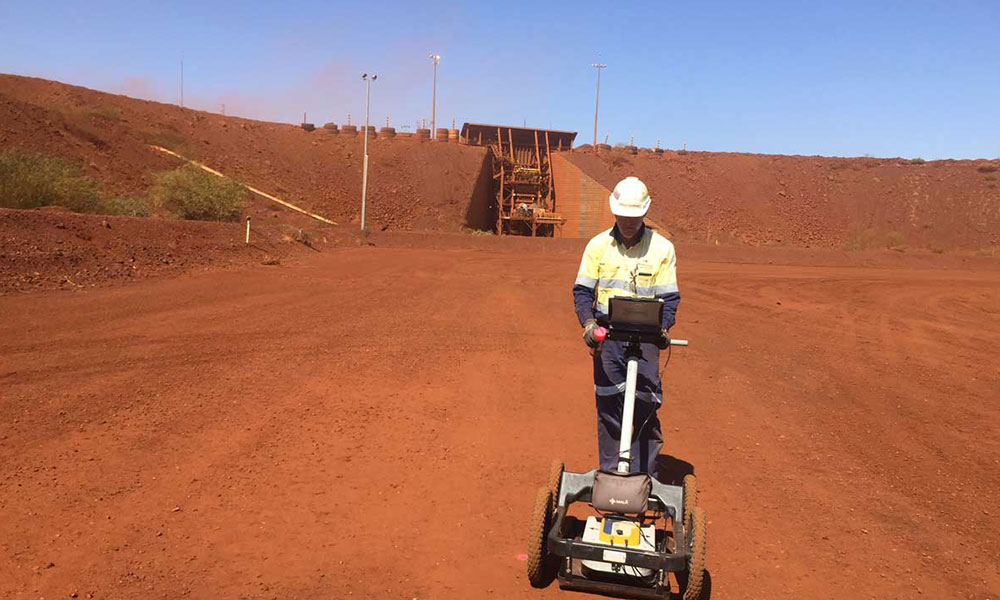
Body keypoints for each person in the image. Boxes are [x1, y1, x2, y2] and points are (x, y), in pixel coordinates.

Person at [572, 176, 680, 475]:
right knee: (608, 407)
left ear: (644, 213)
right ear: (614, 212)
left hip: (646, 339)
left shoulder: (662, 248)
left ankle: (642, 477)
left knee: (645, 406)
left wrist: (663, 328)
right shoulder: (598, 246)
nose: (629, 222)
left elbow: (669, 298)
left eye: (634, 217)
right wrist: (589, 324)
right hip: (608, 337)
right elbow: (582, 292)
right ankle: (610, 476)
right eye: (623, 216)